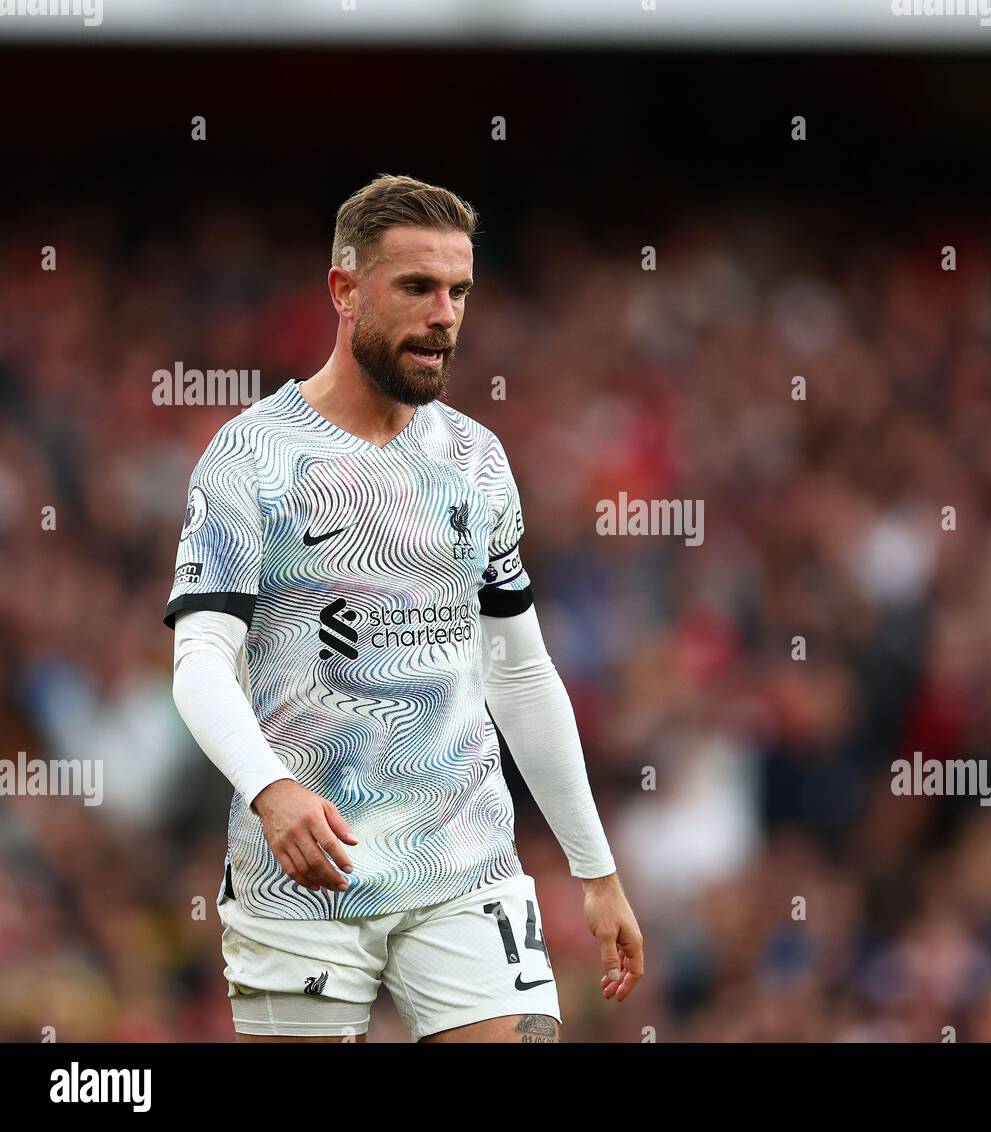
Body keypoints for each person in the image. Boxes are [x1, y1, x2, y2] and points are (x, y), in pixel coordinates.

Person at [164, 174, 643, 1043]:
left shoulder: (476, 459)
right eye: (417, 287)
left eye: (459, 290)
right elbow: (199, 660)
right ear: (345, 292)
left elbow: (521, 672)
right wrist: (271, 789)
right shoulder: (252, 457)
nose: (445, 315)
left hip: (465, 863)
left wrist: (595, 868)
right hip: (306, 875)